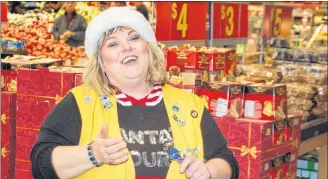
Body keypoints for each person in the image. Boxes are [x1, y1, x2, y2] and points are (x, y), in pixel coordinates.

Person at [30, 7, 239, 179]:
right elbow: (41, 163)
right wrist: (92, 154)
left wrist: (209, 172)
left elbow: (226, 160)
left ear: (148, 49)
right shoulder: (81, 102)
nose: (127, 47)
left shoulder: (189, 104)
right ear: (101, 62)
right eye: (113, 44)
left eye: (134, 38)